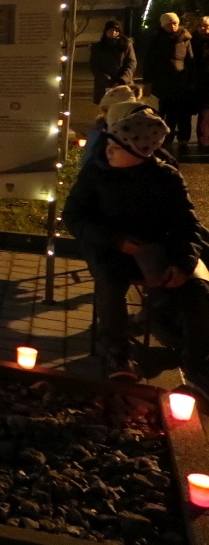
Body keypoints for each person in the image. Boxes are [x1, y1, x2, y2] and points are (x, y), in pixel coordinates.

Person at [63, 102, 209, 383]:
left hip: (156, 249)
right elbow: (74, 216)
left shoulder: (166, 177)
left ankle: (196, 357)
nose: (108, 151)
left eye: (116, 147)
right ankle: (117, 352)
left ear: (137, 152)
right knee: (110, 281)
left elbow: (188, 225)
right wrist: (115, 240)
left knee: (196, 289)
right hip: (110, 248)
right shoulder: (96, 173)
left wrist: (183, 263)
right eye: (109, 144)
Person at [143, 11, 194, 153]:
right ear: (163, 25)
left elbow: (190, 60)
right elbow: (149, 62)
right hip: (161, 82)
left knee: (177, 112)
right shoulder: (156, 40)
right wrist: (148, 83)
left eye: (175, 23)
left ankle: (178, 139)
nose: (173, 26)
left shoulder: (185, 39)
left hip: (180, 81)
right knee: (161, 112)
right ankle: (163, 138)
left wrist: (190, 79)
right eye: (169, 23)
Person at [80, 84, 138, 165]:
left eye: (108, 110)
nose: (105, 115)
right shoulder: (99, 131)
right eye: (104, 110)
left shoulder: (134, 132)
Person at [88, 20, 136, 105]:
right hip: (104, 86)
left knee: (123, 109)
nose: (113, 33)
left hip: (123, 84)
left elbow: (131, 63)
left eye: (116, 31)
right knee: (107, 111)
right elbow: (95, 66)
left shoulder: (126, 45)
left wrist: (122, 79)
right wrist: (108, 81)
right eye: (111, 30)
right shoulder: (98, 47)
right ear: (105, 31)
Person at [193, 16, 209, 151]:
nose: (204, 29)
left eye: (207, 26)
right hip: (199, 81)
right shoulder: (192, 41)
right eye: (202, 26)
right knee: (203, 112)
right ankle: (203, 138)